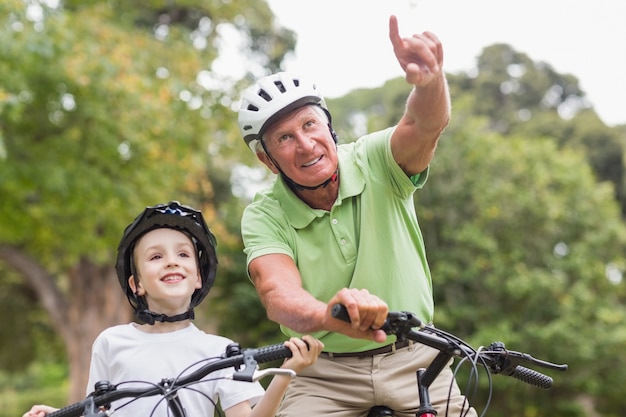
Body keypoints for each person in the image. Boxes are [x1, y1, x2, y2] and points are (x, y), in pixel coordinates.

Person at [237, 14, 476, 417]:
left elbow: (423, 125)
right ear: (267, 159)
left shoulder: (376, 159)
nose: (306, 143)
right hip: (321, 371)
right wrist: (330, 316)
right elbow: (277, 294)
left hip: (416, 356)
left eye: (310, 124)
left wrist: (430, 81)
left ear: (329, 126)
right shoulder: (265, 214)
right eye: (284, 138)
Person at [23, 201, 323, 417]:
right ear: (136, 283)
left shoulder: (222, 351)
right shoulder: (111, 342)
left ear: (197, 277)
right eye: (155, 257)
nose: (171, 261)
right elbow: (96, 410)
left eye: (182, 254)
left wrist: (287, 372)